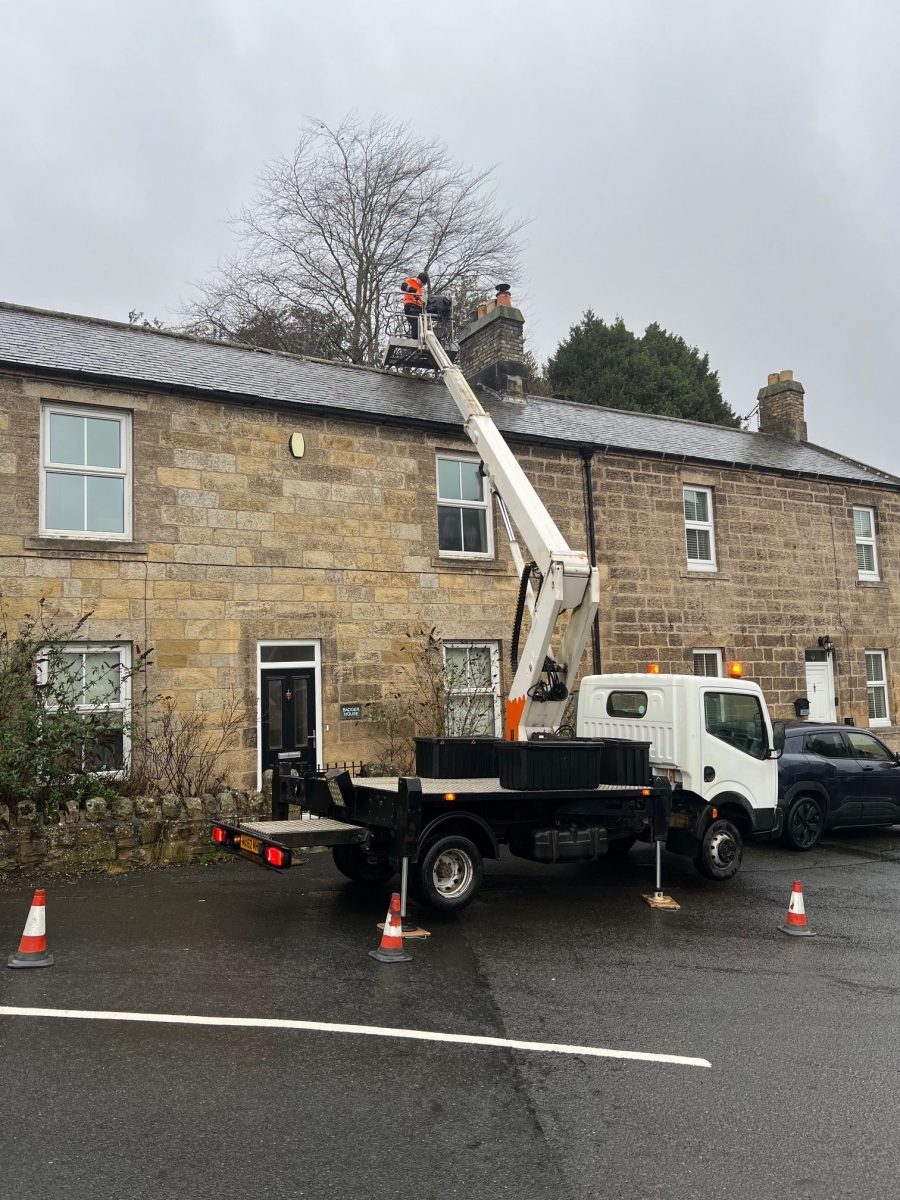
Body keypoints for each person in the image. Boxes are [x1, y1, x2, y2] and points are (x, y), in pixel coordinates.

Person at [401, 271, 429, 338]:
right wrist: (414, 291)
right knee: (415, 323)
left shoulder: (420, 290)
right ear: (418, 279)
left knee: (420, 325)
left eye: (423, 284)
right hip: (411, 306)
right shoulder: (411, 281)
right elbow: (403, 286)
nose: (422, 284)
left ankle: (418, 338)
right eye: (421, 282)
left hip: (417, 308)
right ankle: (415, 339)